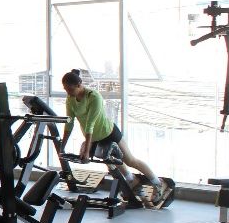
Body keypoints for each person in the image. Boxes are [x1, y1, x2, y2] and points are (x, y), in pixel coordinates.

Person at [61, 69, 171, 207]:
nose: (68, 92)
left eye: (70, 89)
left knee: (130, 160)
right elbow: (69, 123)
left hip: (109, 133)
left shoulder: (94, 97)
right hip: (94, 138)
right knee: (112, 163)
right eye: (65, 89)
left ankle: (159, 183)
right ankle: (132, 181)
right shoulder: (70, 99)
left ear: (79, 85)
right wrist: (62, 146)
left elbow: (90, 125)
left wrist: (87, 151)